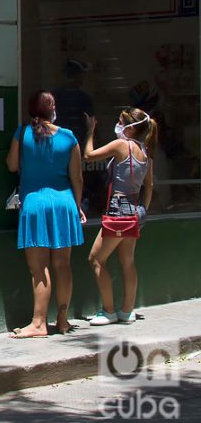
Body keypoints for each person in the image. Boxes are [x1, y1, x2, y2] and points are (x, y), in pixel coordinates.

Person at [6, 90, 87, 338]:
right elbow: (77, 178)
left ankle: (39, 323)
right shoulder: (69, 137)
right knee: (63, 265)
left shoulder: (23, 133)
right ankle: (62, 321)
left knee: (39, 268)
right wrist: (78, 206)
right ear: (53, 110)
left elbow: (11, 165)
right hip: (64, 204)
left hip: (35, 204)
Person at [82, 108, 156, 325]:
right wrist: (142, 210)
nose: (118, 125)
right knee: (128, 261)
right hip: (135, 209)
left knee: (96, 259)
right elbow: (149, 185)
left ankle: (108, 311)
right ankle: (127, 310)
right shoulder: (145, 151)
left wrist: (90, 131)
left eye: (121, 122)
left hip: (119, 208)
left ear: (130, 129)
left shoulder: (122, 145)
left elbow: (88, 155)